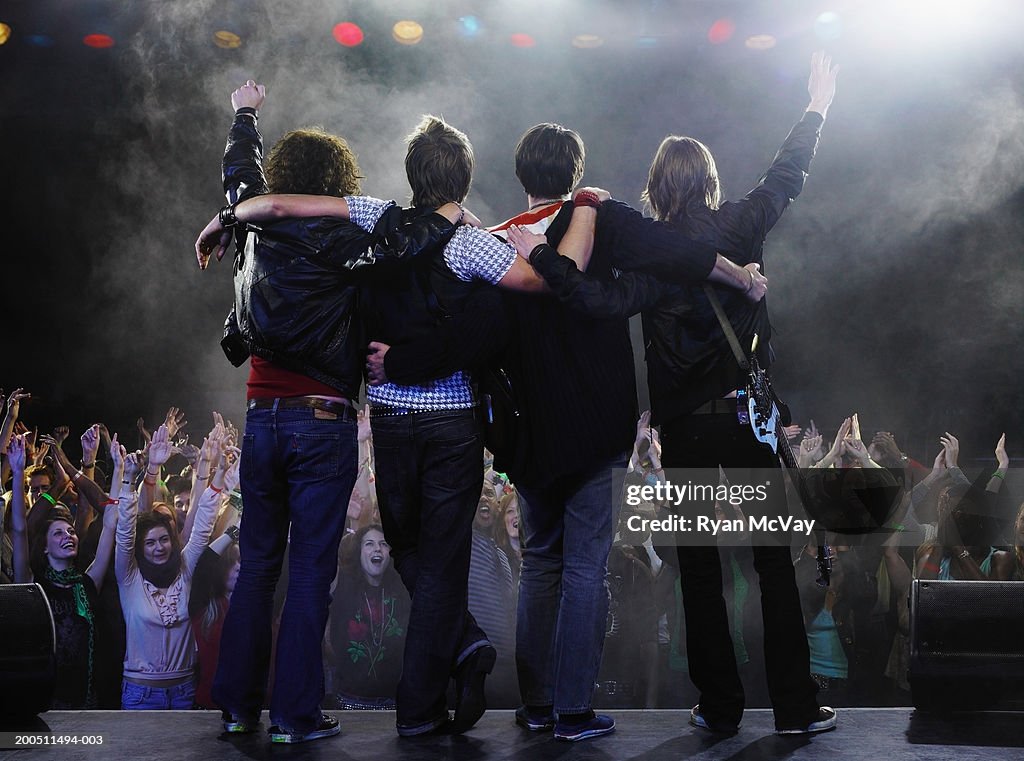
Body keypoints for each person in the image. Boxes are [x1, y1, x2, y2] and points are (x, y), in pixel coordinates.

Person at [508, 51, 840, 735]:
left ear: (657, 187)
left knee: (700, 569)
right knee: (771, 564)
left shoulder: (647, 248)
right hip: (746, 425)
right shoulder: (740, 227)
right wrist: (817, 108)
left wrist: (540, 254)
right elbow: (787, 177)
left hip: (686, 429)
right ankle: (796, 708)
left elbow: (598, 300)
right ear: (711, 184)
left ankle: (719, 706)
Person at [195, 81, 469, 744]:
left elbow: (239, 176)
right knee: (312, 567)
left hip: (261, 413)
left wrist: (245, 112)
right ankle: (293, 715)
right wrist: (449, 219)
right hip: (320, 418)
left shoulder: (252, 218)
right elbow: (410, 236)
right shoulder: (346, 228)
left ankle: (235, 707)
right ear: (338, 179)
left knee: (258, 562)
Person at [490, 113, 767, 740]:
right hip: (595, 423)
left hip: (530, 431)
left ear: (521, 176)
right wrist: (739, 275)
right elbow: (684, 253)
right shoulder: (601, 219)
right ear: (576, 173)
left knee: (540, 563)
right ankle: (572, 710)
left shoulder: (500, 237)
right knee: (584, 565)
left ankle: (534, 704)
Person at [115, 423, 228, 710]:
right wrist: (128, 480)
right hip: (140, 694)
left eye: (164, 539)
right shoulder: (130, 578)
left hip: (184, 691)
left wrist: (218, 477)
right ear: (141, 549)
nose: (159, 547)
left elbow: (201, 528)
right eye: (150, 543)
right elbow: (125, 533)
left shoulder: (185, 570)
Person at [7, 432, 118, 709]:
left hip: (89, 698)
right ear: (44, 547)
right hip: (47, 698)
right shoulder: (34, 585)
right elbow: (20, 530)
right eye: (58, 533)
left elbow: (112, 519)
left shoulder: (88, 581)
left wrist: (96, 468)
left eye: (70, 531)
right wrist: (19, 471)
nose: (69, 535)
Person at [326, 525, 410, 710]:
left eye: (383, 544)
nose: (377, 549)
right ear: (359, 551)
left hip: (392, 703)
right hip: (347, 701)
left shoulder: (401, 589)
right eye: (369, 544)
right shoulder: (342, 582)